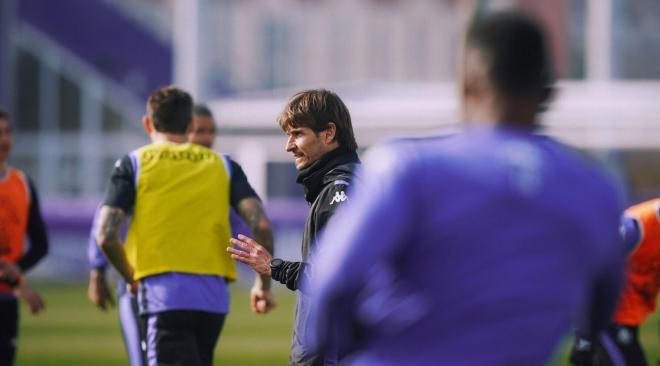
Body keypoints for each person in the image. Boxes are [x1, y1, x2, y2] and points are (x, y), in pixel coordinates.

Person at [302, 12, 625, 365]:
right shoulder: (596, 187)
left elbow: (331, 282)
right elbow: (599, 310)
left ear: (469, 83)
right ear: (547, 91)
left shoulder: (408, 166)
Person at [96, 87, 275, 366]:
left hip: (162, 296)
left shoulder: (134, 164)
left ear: (148, 123)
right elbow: (261, 224)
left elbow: (106, 235)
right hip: (213, 300)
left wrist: (130, 277)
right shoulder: (224, 165)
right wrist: (263, 285)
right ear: (190, 125)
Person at [228, 89, 360, 365]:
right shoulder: (337, 187)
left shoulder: (341, 191)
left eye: (297, 133)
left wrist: (272, 266)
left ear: (328, 133)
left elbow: (337, 281)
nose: (289, 145)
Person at [570, 199, 660, 366]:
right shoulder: (635, 228)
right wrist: (583, 337)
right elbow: (591, 272)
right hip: (607, 316)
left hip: (632, 314)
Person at [0, 107, 48, 366]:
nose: (4, 139)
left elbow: (41, 244)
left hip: (7, 299)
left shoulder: (22, 183)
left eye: (8, 132)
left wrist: (16, 270)